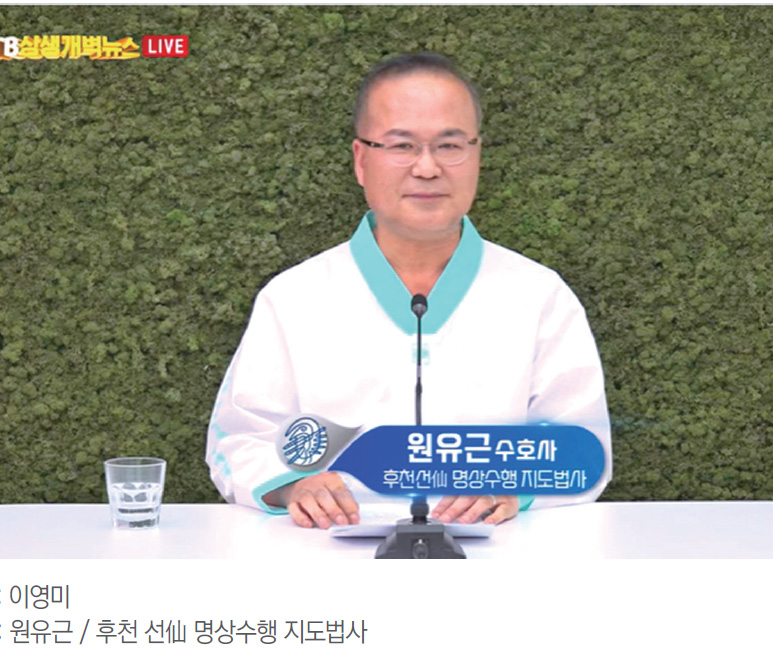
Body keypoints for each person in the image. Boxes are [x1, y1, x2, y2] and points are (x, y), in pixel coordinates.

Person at [206, 53, 611, 529]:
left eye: (450, 145)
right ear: (361, 160)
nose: (427, 167)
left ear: (478, 155)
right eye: (401, 146)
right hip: (329, 550)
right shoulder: (294, 297)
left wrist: (511, 484)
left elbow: (583, 445)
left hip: (496, 551)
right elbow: (239, 442)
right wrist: (294, 484)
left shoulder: (538, 295)